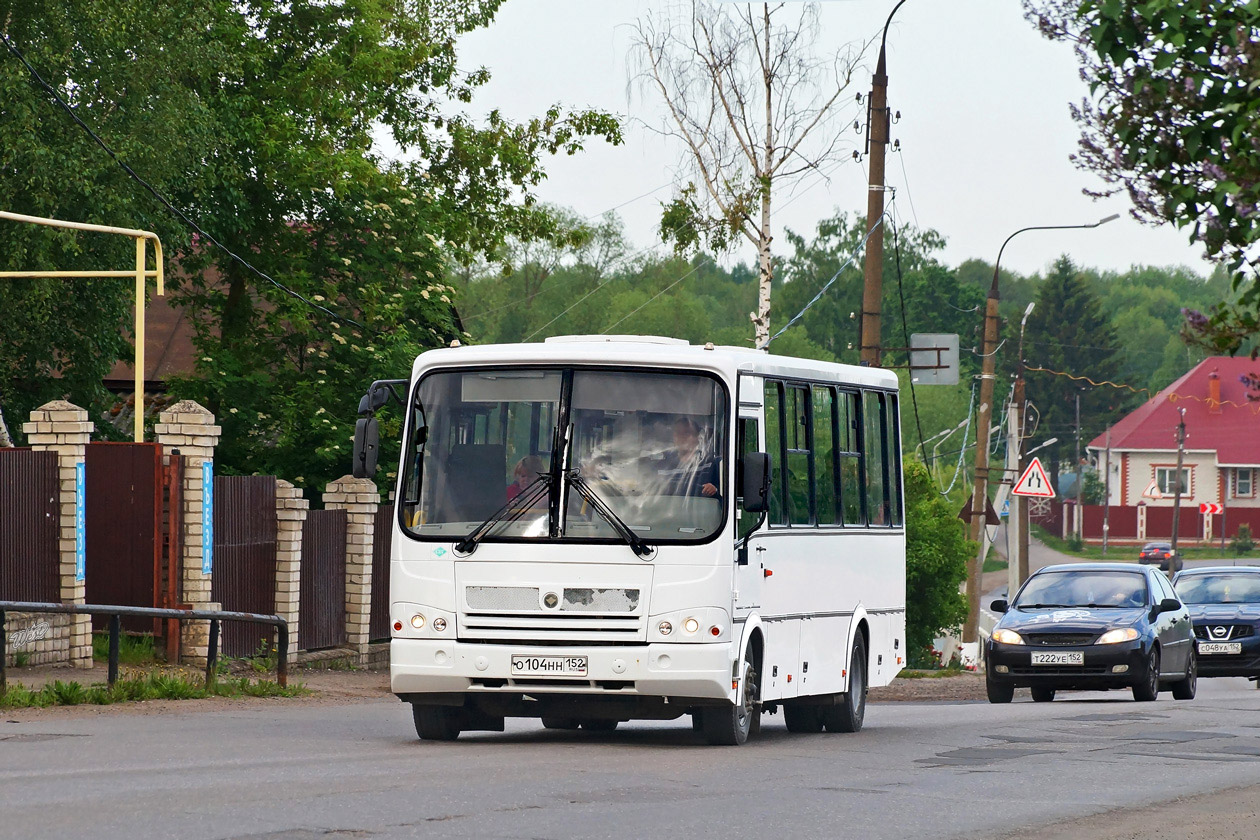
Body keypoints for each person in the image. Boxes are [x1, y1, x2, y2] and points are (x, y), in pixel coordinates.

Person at [659, 417, 718, 497]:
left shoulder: (709, 463)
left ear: (697, 437)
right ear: (674, 437)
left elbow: (724, 496)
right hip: (668, 509)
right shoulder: (662, 465)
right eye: (678, 433)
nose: (682, 438)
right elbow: (654, 492)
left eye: (687, 433)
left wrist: (713, 489)